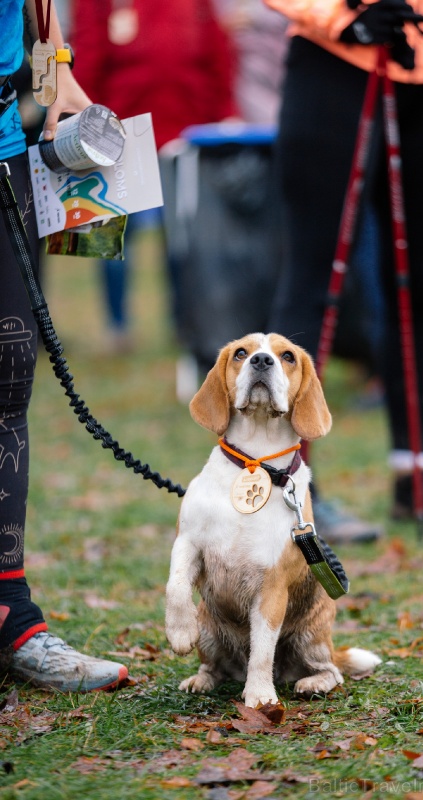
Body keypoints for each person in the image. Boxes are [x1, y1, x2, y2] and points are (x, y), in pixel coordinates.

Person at [263, 0, 423, 540]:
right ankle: (290, 489)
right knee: (313, 279)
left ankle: (414, 478)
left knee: (421, 281)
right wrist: (339, 16)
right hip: (336, 60)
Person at [0, 0, 128, 690]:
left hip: (5, 156)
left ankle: (12, 617)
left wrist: (60, 84)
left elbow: (35, 15)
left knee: (10, 374)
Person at [70, 0, 239, 351]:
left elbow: (217, 51)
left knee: (181, 240)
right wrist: (87, 129)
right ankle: (117, 328)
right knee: (109, 239)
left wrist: (224, 113)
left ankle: (183, 323)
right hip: (118, 135)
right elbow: (86, 58)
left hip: (183, 135)